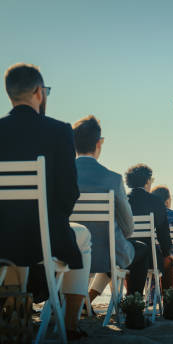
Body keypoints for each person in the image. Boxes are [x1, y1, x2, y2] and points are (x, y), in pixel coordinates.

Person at [0, 63, 91, 340]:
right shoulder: (59, 131)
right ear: (39, 92)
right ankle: (71, 324)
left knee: (14, 248)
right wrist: (55, 221)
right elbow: (68, 192)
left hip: (2, 238)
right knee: (82, 235)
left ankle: (14, 310)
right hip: (43, 240)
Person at [72, 115, 150, 302]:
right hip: (106, 258)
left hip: (69, 256)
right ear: (99, 143)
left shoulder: (59, 177)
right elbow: (129, 229)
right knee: (143, 249)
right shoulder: (113, 179)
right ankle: (134, 307)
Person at [125, 164, 173, 291]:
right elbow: (163, 233)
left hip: (125, 254)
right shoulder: (156, 202)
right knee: (169, 261)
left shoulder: (123, 200)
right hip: (150, 257)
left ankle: (132, 300)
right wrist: (167, 252)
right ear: (147, 181)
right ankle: (169, 303)